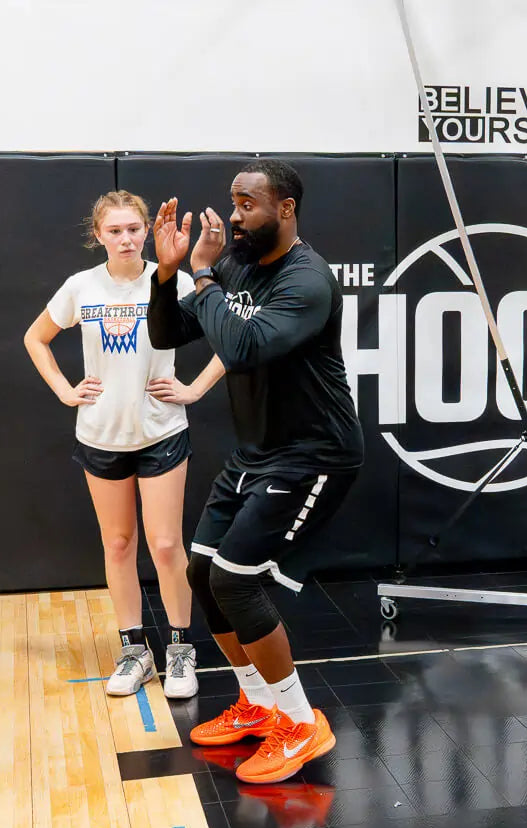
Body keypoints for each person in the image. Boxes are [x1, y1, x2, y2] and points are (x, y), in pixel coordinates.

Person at [147, 160, 362, 784]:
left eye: (248, 205)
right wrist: (169, 271)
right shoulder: (235, 265)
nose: (236, 216)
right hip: (256, 454)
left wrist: (205, 275)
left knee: (237, 580)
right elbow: (168, 329)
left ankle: (300, 724)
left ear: (286, 208)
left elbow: (241, 347)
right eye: (233, 204)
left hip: (314, 454)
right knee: (200, 572)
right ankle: (259, 705)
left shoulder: (308, 279)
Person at [25, 189, 225, 700]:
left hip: (160, 431)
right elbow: (35, 338)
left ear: (146, 232)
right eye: (114, 231)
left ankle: (181, 650)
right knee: (118, 544)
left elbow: (236, 338)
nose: (126, 238)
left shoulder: (175, 281)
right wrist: (65, 390)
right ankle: (134, 650)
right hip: (101, 434)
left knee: (164, 545)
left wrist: (195, 388)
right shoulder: (81, 287)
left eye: (133, 229)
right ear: (99, 237)